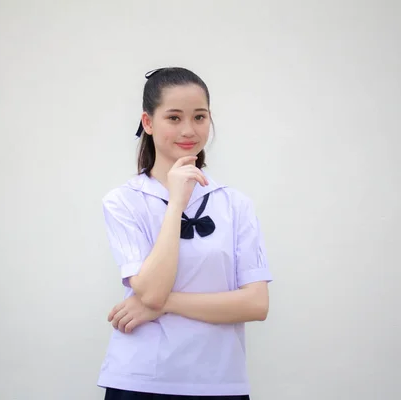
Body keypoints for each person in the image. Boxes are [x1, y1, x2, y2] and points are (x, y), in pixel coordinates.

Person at [98, 67, 273, 399]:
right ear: (148, 123)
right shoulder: (123, 201)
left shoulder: (236, 205)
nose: (189, 130)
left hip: (220, 381)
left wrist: (163, 306)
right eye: (174, 118)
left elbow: (256, 304)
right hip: (140, 380)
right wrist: (176, 202)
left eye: (199, 117)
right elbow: (150, 291)